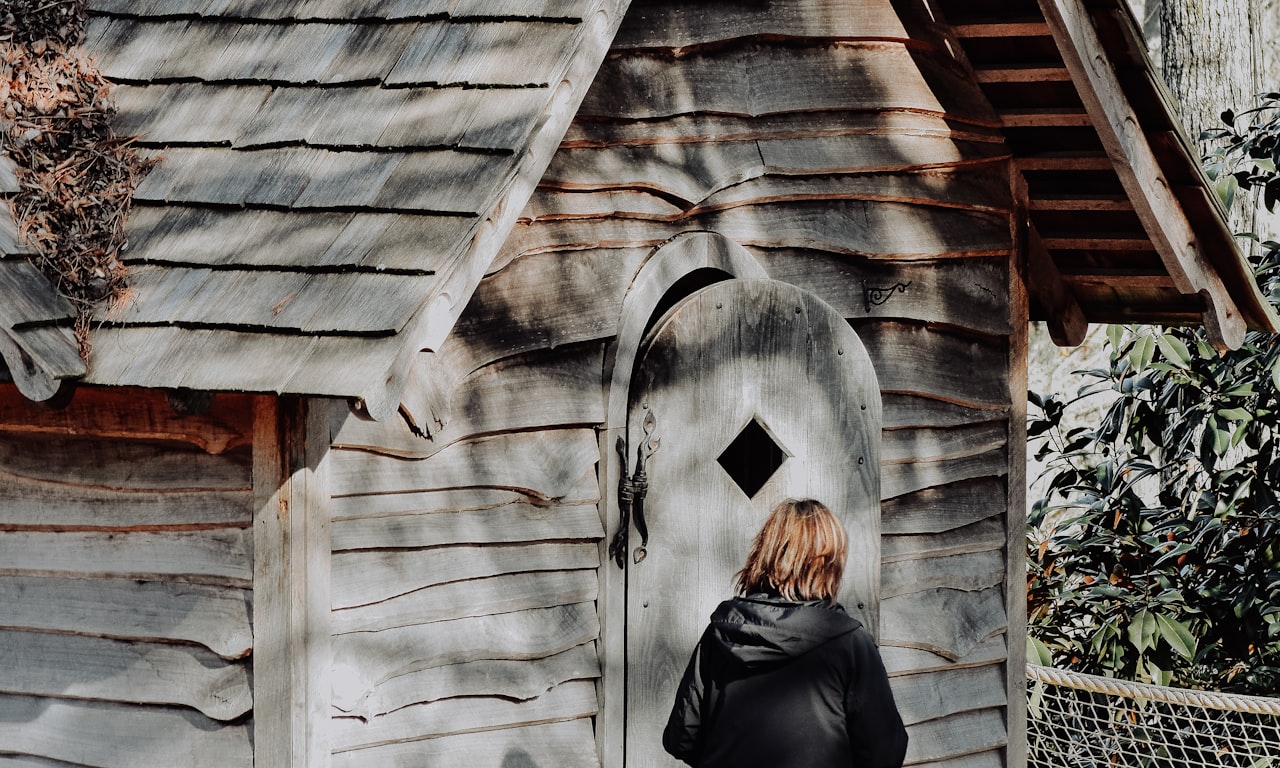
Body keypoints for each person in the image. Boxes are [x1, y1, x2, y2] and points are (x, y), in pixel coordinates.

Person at [662, 498, 908, 768]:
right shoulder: (850, 644)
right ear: (829, 565)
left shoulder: (720, 634)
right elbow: (885, 752)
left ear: (765, 555)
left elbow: (682, 738)